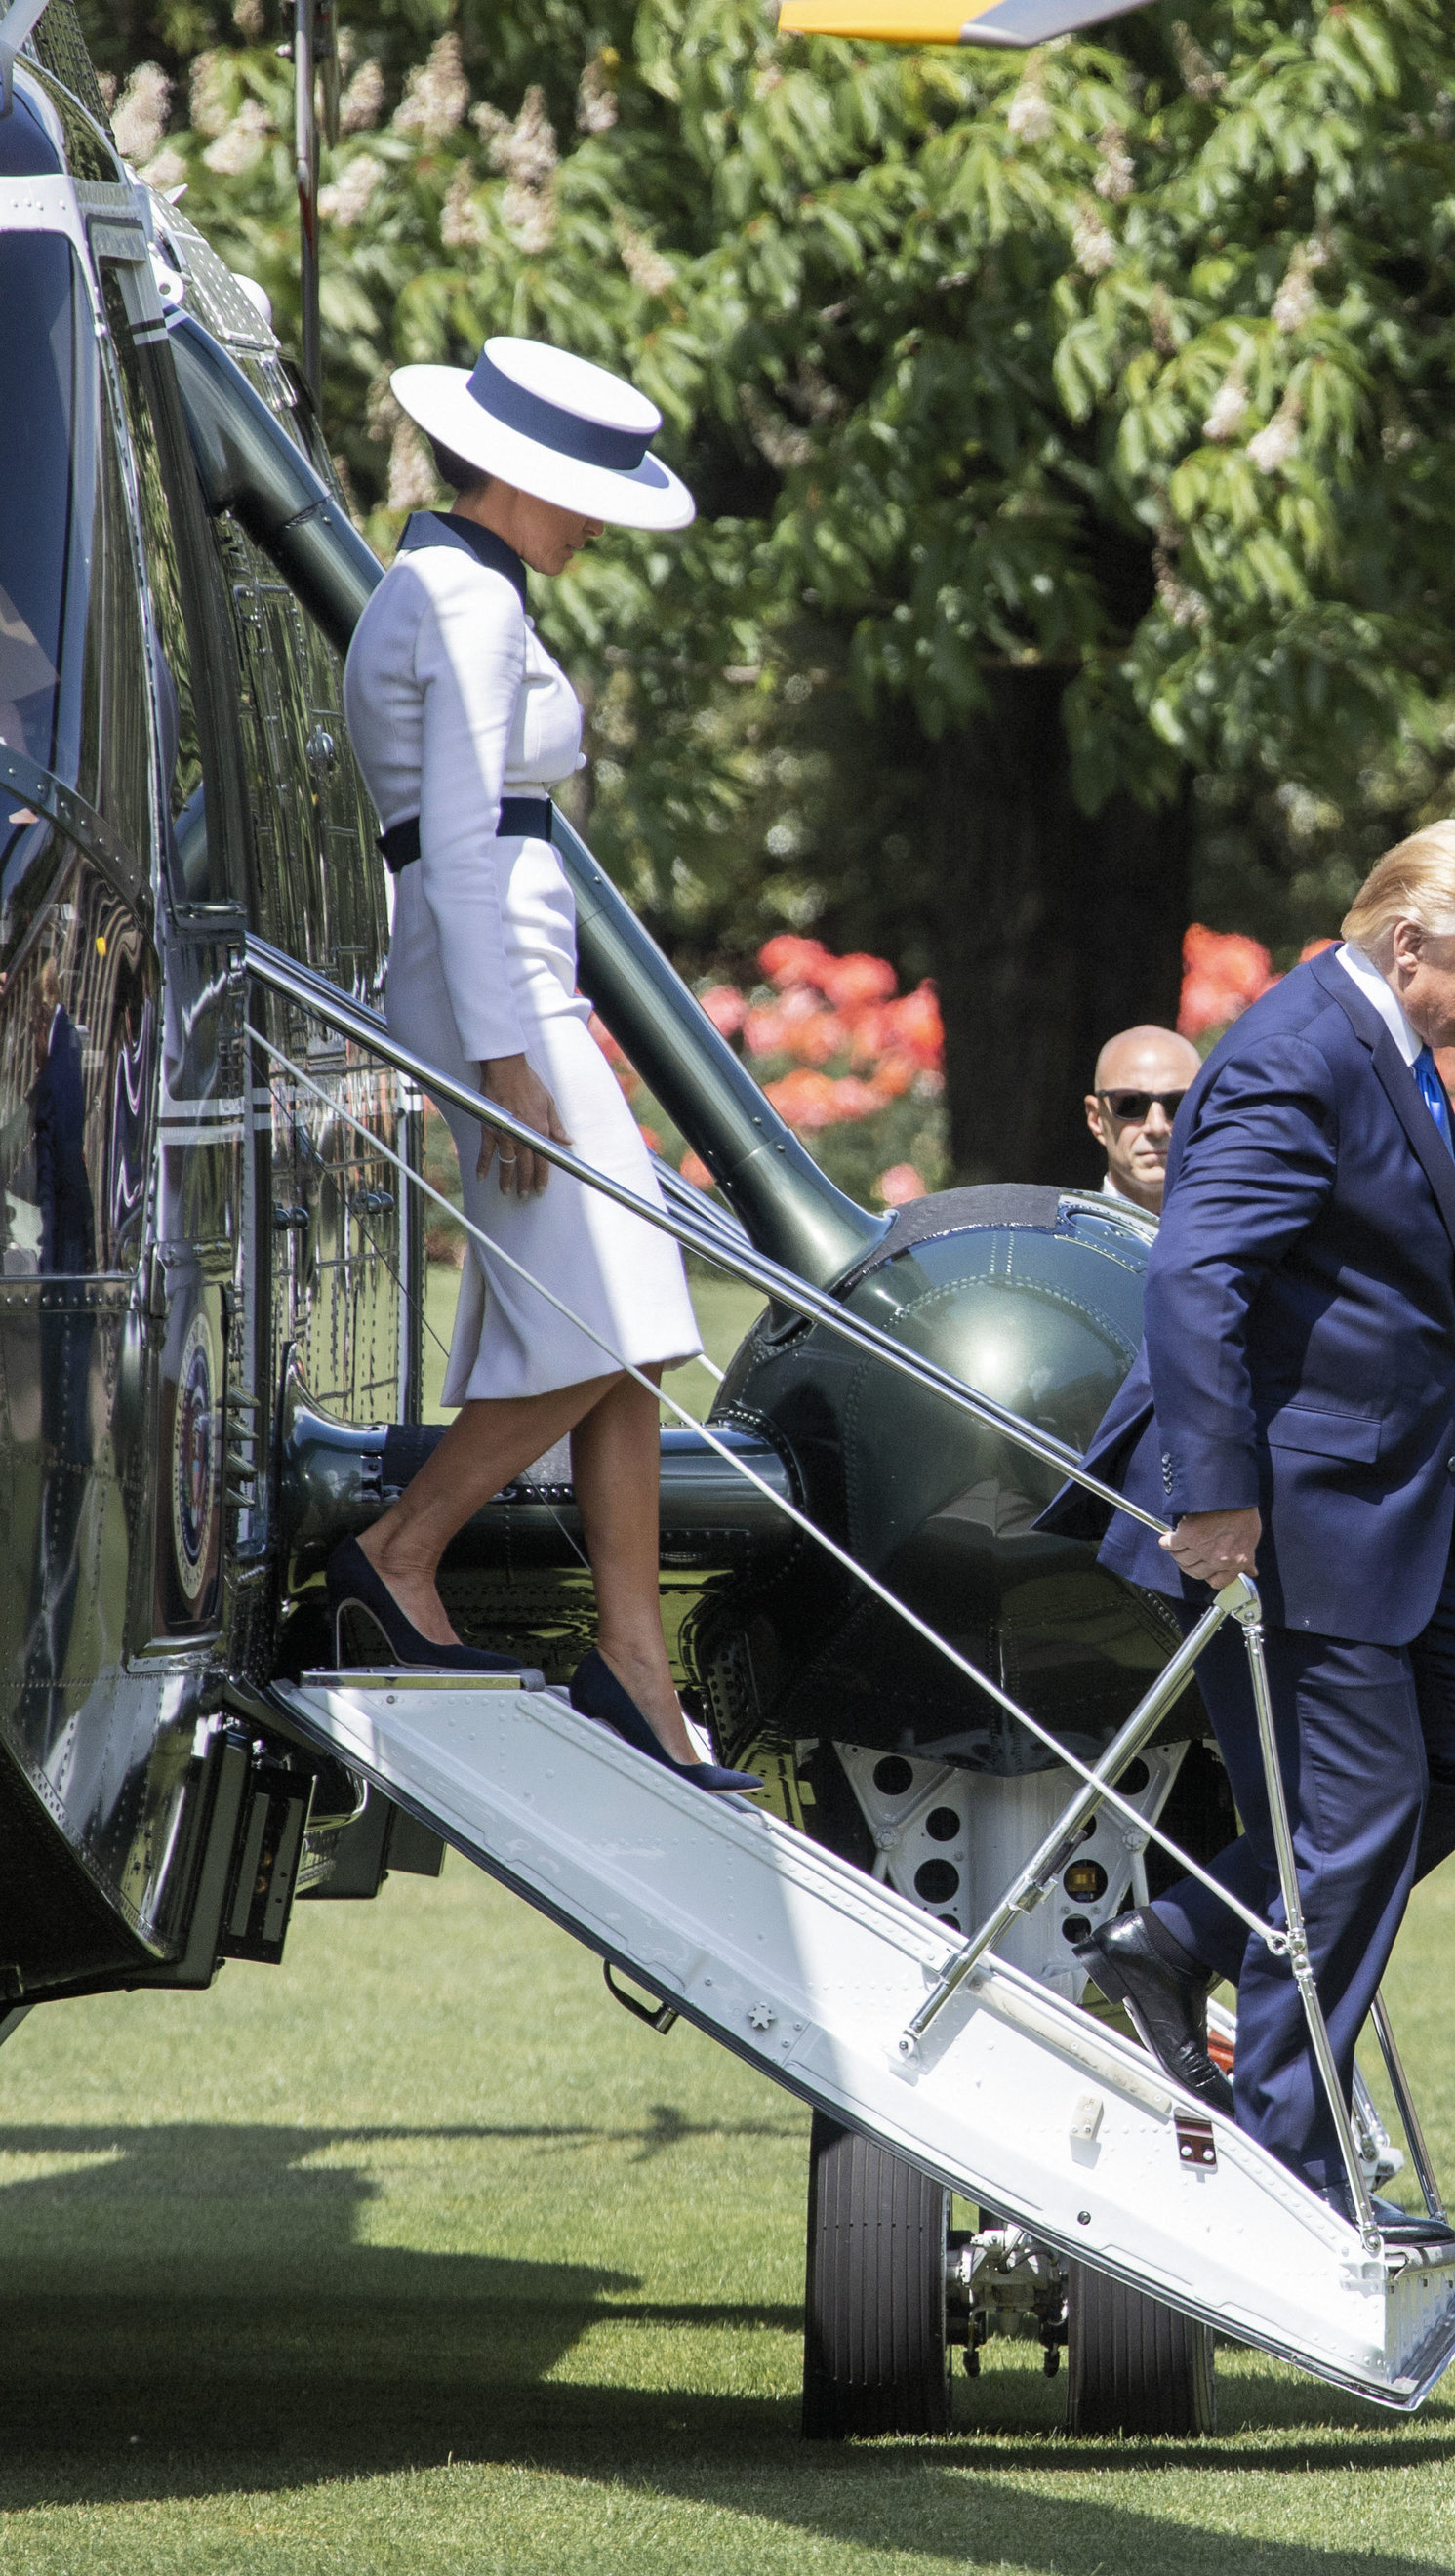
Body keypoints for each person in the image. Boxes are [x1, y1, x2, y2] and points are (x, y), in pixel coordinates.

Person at [1041, 824, 1455, 2238]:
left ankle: (1187, 1936)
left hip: (1378, 1507)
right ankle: (1289, 2151)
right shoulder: (1297, 1049)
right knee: (1350, 1819)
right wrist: (1215, 1490)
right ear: (1413, 943)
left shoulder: (1379, 1045)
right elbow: (1198, 1275)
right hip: (1285, 1511)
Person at [339, 337, 755, 1793]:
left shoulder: (463, 588)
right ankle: (401, 1553)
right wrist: (515, 1058)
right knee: (618, 1310)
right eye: (585, 493)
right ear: (512, 475)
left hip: (509, 979)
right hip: (492, 988)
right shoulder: (455, 598)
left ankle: (633, 1663)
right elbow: (459, 841)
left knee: (627, 1313)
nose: (597, 522)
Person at [1085, 1024, 1200, 1218]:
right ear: (1096, 1119)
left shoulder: (1243, 1240)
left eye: (1179, 1104)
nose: (1156, 1126)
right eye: (1131, 1104)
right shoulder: (1062, 1243)